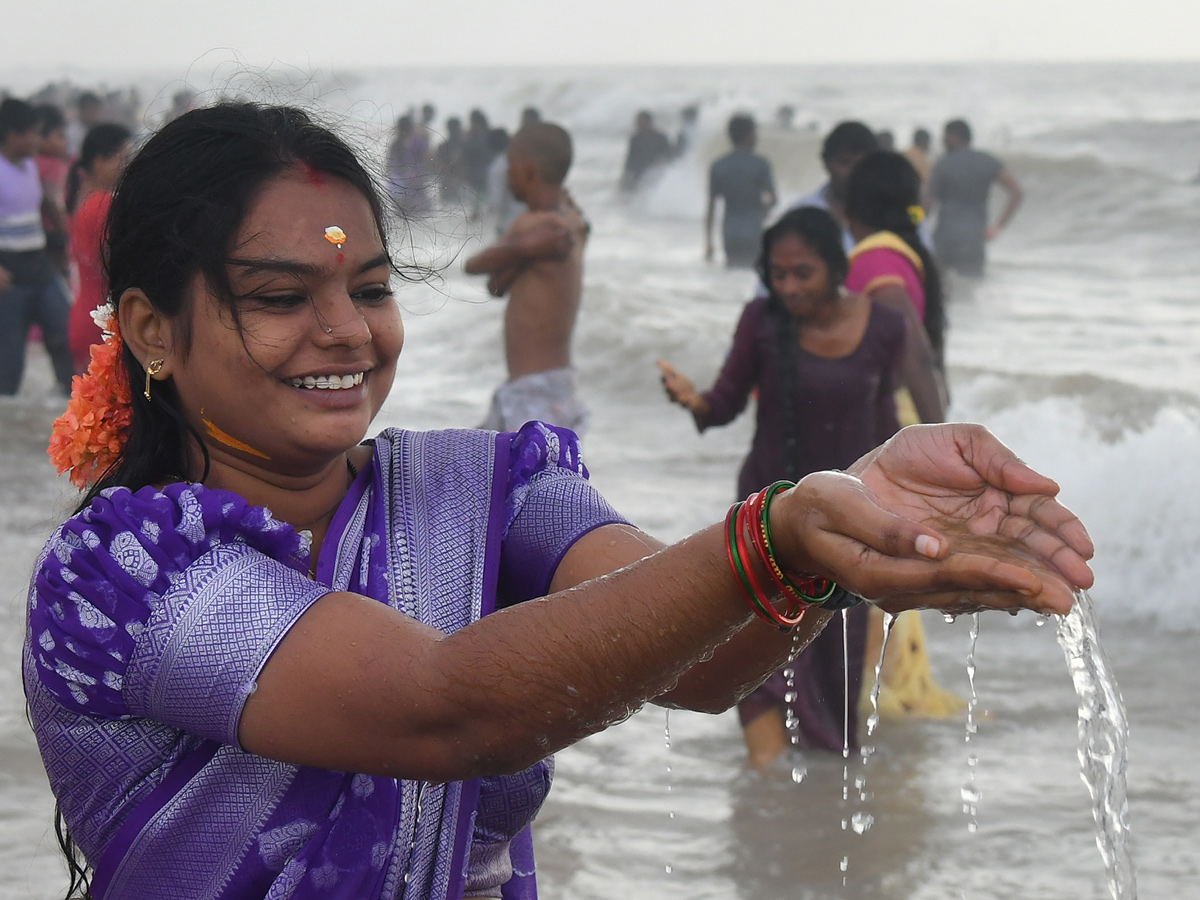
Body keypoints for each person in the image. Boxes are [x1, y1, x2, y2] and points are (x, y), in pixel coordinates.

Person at [25, 103, 1094, 900]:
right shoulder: (117, 577)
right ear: (152, 331)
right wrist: (771, 529)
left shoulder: (483, 488)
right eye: (279, 297)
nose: (348, 331)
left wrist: (837, 528)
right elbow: (450, 709)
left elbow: (710, 661)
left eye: (372, 288)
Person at [659, 207, 913, 764]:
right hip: (766, 518)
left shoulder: (886, 328)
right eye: (779, 274)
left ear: (835, 267)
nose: (790, 287)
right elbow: (724, 402)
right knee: (757, 649)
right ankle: (767, 794)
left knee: (837, 663)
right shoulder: (762, 320)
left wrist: (904, 508)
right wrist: (693, 400)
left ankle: (821, 802)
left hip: (849, 522)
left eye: (803, 273)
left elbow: (886, 423)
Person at [465, 122, 590, 434]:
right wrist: (523, 253)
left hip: (532, 390)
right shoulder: (572, 222)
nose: (507, 174)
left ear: (528, 172)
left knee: (523, 479)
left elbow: (475, 265)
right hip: (557, 381)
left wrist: (522, 245)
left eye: (511, 166)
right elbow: (497, 285)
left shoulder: (533, 227)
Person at [844, 150, 948, 419]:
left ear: (851, 208)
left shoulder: (875, 260)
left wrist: (939, 444)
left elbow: (917, 357)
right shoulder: (903, 253)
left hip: (892, 428)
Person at [0, 97, 75, 395]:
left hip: (39, 262)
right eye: (32, 132)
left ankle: (74, 403)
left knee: (63, 333)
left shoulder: (30, 165)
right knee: (9, 357)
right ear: (12, 134)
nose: (37, 139)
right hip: (9, 270)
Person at [66, 122, 132, 371]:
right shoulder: (103, 204)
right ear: (98, 161)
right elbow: (112, 262)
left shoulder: (82, 200)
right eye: (122, 158)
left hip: (84, 315)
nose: (127, 166)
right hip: (103, 322)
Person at [927, 119, 1023, 277]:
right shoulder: (986, 161)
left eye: (944, 136)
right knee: (971, 289)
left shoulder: (942, 164)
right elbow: (1016, 192)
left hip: (944, 239)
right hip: (973, 240)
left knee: (941, 291)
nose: (942, 141)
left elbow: (928, 205)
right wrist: (998, 227)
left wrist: (913, 223)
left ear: (954, 138)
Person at [789, 121, 879, 253]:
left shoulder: (889, 217)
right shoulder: (800, 214)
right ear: (826, 162)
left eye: (862, 165)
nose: (853, 173)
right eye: (845, 163)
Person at [705, 114, 776, 269]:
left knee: (733, 273)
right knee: (751, 274)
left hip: (730, 232)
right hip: (753, 231)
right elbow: (773, 198)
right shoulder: (760, 163)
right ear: (749, 135)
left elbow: (711, 207)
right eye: (755, 133)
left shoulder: (718, 165)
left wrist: (709, 243)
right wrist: (764, 209)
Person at [34, 103, 70, 273]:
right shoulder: (54, 165)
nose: (64, 143)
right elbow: (53, 200)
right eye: (60, 136)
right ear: (40, 137)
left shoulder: (28, 162)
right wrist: (65, 232)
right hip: (52, 233)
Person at [619, 110, 672, 191]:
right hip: (639, 172)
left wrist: (663, 160)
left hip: (656, 170)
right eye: (638, 122)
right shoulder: (635, 139)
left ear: (649, 122)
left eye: (642, 121)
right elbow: (630, 157)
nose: (639, 124)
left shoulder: (660, 137)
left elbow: (669, 153)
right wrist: (625, 175)